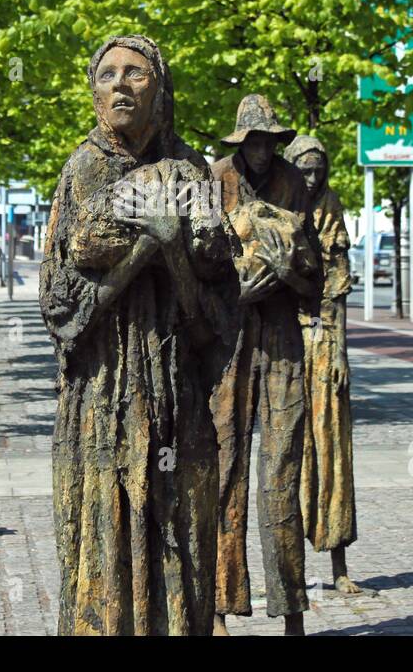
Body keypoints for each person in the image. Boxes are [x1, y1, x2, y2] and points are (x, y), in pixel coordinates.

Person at [40, 35, 235, 636]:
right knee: (101, 539)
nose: (120, 85)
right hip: (101, 394)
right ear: (94, 92)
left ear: (160, 87)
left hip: (176, 394)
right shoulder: (82, 169)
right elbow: (61, 307)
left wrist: (170, 248)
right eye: (107, 75)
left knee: (182, 541)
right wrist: (147, 245)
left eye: (136, 74)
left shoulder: (191, 171)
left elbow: (214, 313)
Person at [210, 94, 320, 636]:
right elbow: (195, 267)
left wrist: (286, 274)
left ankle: (291, 608)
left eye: (268, 142)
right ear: (239, 142)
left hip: (280, 342)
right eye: (252, 141)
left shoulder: (293, 184)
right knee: (224, 468)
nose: (260, 151)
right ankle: (218, 604)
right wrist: (237, 289)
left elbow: (314, 279)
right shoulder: (213, 180)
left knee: (281, 474)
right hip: (228, 346)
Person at [285, 134, 362, 595]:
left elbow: (338, 287)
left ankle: (338, 560)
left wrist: (340, 351)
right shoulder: (278, 201)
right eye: (305, 170)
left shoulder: (329, 208)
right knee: (291, 453)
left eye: (319, 170)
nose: (312, 179)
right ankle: (289, 566)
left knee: (333, 448)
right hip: (285, 340)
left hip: (322, 341)